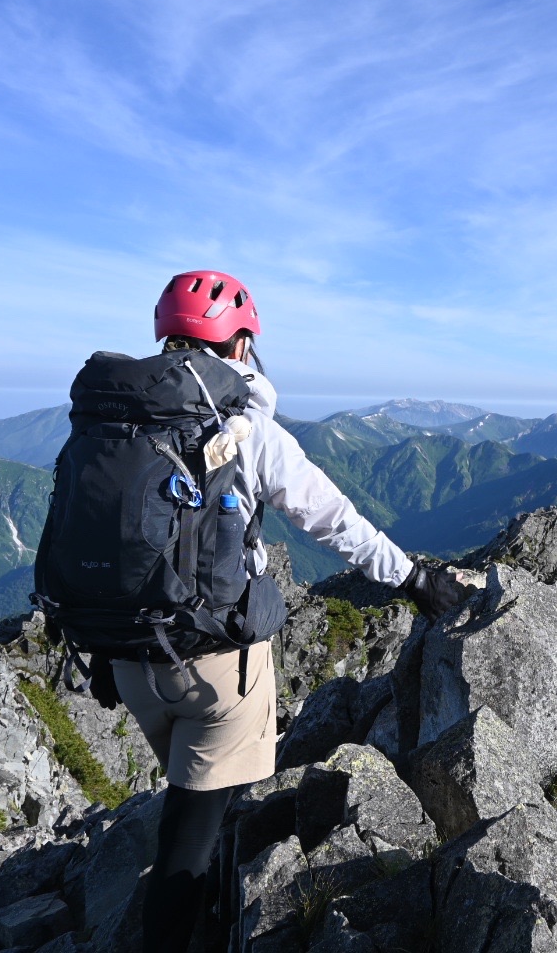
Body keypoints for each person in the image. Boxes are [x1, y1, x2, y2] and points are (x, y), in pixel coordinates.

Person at [86, 270, 461, 952]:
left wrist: (96, 644)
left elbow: (88, 539)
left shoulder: (117, 424)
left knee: (195, 800)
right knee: (194, 830)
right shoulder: (247, 430)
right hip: (215, 670)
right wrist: (411, 579)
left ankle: (202, 914)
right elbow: (334, 522)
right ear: (240, 344)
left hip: (126, 661)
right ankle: (185, 935)